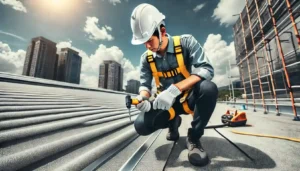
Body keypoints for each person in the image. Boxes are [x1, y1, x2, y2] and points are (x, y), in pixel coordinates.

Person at [130, 3, 218, 167]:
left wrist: (175, 89)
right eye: (144, 43)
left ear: (162, 31)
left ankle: (194, 136)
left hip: (189, 98)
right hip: (166, 104)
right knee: (141, 126)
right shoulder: (146, 59)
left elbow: (206, 69)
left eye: (150, 40)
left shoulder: (186, 42)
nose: (148, 46)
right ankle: (173, 122)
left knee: (208, 88)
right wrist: (142, 98)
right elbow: (145, 85)